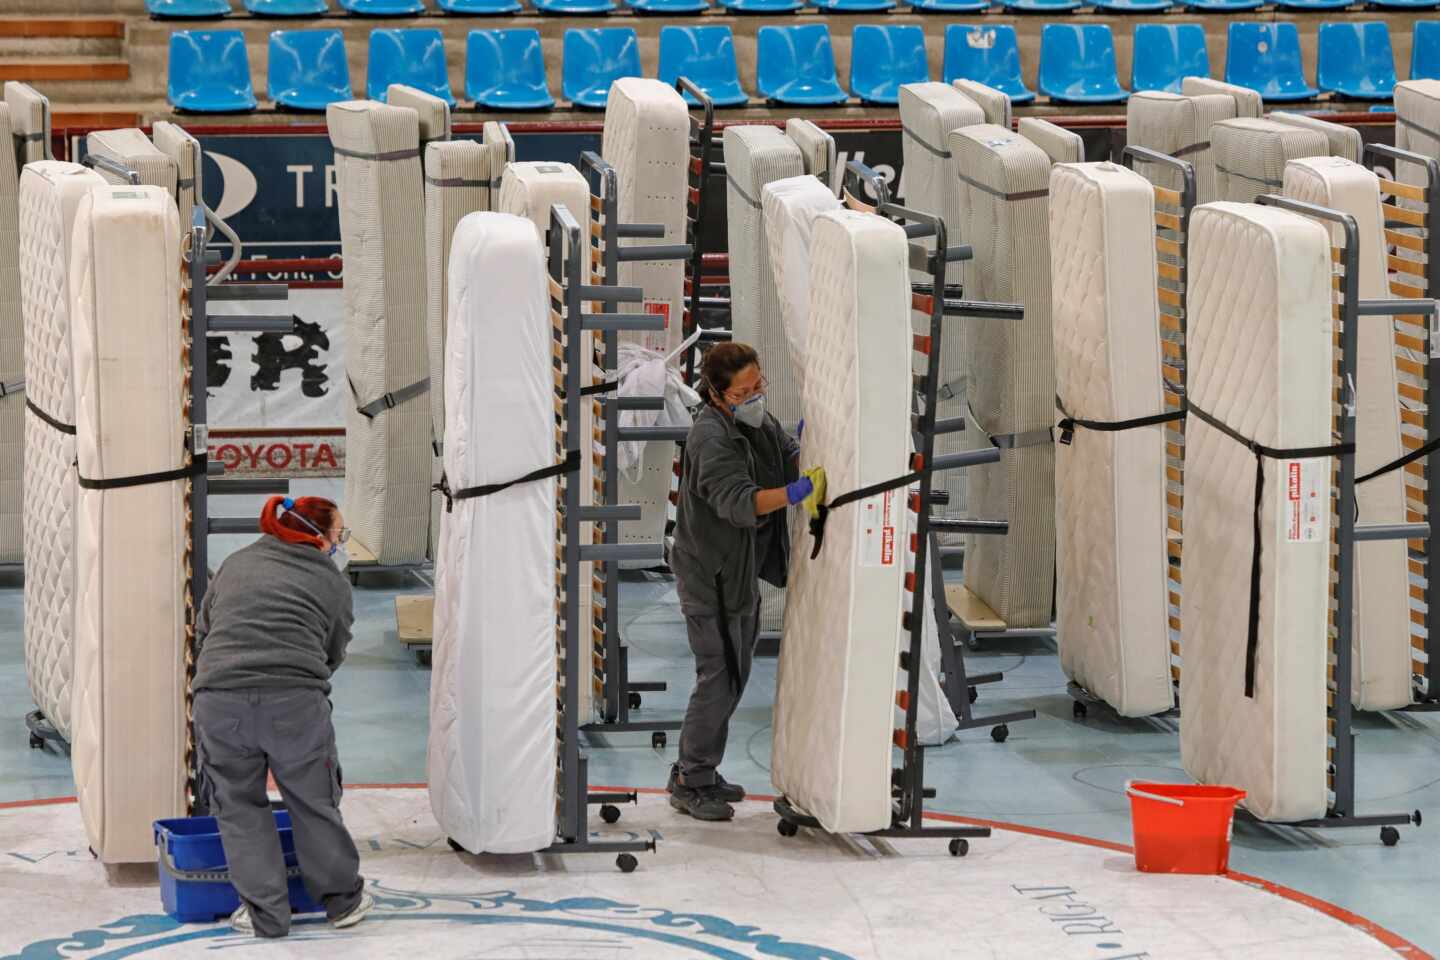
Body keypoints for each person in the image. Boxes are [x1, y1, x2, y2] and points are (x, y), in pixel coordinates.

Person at [192, 495, 371, 938]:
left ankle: (264, 916)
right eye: (338, 534)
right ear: (317, 535)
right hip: (294, 703)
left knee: (237, 806)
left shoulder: (235, 564)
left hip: (220, 701)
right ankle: (342, 903)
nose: (339, 543)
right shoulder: (331, 581)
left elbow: (204, 630)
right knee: (313, 801)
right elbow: (335, 648)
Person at [668, 342, 823, 821]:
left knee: (736, 672)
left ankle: (701, 770)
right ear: (717, 394)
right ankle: (690, 779)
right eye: (745, 390)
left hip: (737, 569)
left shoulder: (755, 421)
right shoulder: (710, 437)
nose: (756, 396)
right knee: (718, 676)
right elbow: (738, 502)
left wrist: (810, 451)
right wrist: (797, 493)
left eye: (759, 385)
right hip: (709, 574)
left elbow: (783, 452)